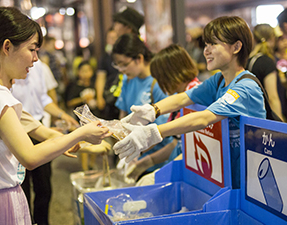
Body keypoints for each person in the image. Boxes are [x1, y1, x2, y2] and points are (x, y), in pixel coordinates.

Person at [0, 7, 110, 225]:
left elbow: (37, 129)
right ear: (6, 47)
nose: (35, 59)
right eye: (32, 50)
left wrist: (74, 139)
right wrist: (80, 134)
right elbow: (30, 157)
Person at [113, 16, 266, 189]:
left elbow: (203, 118)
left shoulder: (245, 88)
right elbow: (184, 98)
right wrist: (152, 110)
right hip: (228, 176)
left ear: (236, 47)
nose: (206, 51)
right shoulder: (218, 80)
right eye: (205, 45)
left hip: (252, 180)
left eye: (213, 44)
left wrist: (153, 132)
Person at [11, 58, 79, 225]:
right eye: (32, 48)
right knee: (21, 186)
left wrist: (62, 115)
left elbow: (43, 98)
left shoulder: (38, 66)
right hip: (15, 128)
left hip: (37, 125)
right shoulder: (8, 68)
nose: (35, 56)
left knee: (44, 186)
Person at [126, 44, 201, 181]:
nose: (160, 85)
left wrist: (160, 175)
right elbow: (177, 143)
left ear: (172, 73)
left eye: (160, 79)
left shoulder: (196, 98)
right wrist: (145, 162)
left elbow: (192, 151)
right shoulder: (180, 96)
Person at [112, 33, 173, 174]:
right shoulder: (128, 79)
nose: (122, 70)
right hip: (134, 152)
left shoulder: (158, 82)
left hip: (156, 159)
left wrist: (136, 150)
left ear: (139, 58)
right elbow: (123, 113)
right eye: (118, 66)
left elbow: (164, 129)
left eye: (125, 65)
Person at [246, 23, 285, 121]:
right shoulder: (267, 61)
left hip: (254, 116)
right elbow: (272, 98)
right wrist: (280, 126)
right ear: (272, 38)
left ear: (254, 39)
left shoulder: (248, 60)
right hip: (268, 118)